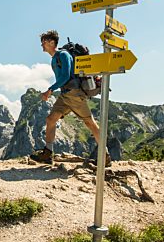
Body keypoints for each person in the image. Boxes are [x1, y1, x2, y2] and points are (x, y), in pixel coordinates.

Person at [30, 30, 111, 166]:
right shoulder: (54, 59)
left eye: (43, 42)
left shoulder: (63, 55)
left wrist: (50, 90)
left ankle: (105, 155)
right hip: (65, 95)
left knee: (89, 123)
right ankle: (48, 153)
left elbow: (66, 76)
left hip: (74, 94)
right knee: (50, 119)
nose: (41, 45)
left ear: (51, 42)